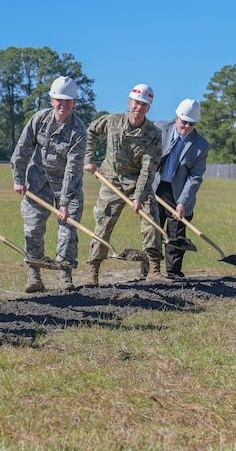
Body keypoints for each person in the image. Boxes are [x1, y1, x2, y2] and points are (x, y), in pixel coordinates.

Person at [83, 83, 171, 285]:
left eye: (143, 105)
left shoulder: (153, 134)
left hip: (137, 181)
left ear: (148, 108)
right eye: (136, 103)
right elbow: (91, 132)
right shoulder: (112, 120)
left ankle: (154, 270)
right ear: (129, 102)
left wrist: (139, 197)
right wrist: (89, 159)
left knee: (151, 221)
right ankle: (92, 272)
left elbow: (148, 169)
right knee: (103, 224)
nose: (138, 107)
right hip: (111, 179)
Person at [11, 76, 86, 292]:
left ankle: (65, 275)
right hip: (38, 184)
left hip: (67, 188)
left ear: (74, 103)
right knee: (33, 229)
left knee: (68, 231)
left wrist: (64, 203)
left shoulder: (78, 130)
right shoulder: (39, 119)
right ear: (52, 99)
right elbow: (22, 149)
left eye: (68, 101)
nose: (63, 105)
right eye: (59, 100)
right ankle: (34, 275)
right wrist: (18, 179)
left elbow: (73, 169)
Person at [142, 99, 209, 279]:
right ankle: (148, 271)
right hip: (156, 186)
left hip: (179, 191)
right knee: (152, 229)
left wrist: (182, 202)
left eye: (191, 123)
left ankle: (173, 272)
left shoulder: (201, 145)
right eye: (183, 121)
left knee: (176, 232)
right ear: (176, 117)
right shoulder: (159, 128)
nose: (186, 126)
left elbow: (195, 177)